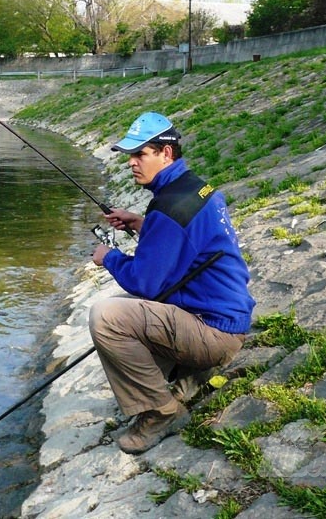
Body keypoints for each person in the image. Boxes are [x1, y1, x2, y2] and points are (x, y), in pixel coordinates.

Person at [89, 111, 255, 455]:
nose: (132, 163)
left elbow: (145, 283)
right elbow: (186, 240)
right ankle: (193, 372)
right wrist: (140, 222)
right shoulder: (196, 188)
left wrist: (108, 257)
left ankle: (160, 412)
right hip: (231, 320)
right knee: (130, 309)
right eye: (130, 156)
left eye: (141, 155)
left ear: (166, 153)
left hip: (215, 333)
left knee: (107, 316)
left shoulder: (169, 209)